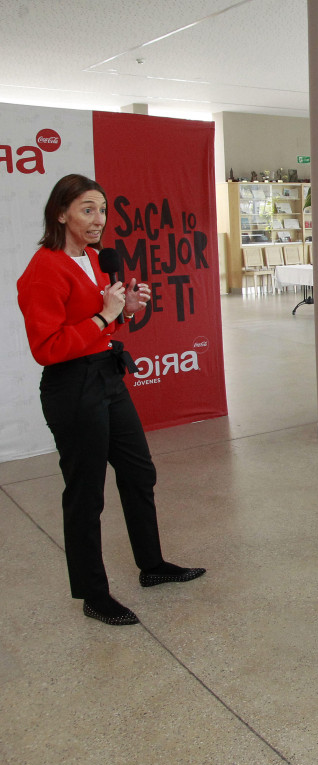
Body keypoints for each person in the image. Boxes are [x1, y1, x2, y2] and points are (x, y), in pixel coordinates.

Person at [16, 174, 205, 627]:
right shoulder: (43, 269)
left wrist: (127, 309)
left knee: (139, 469)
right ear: (61, 213)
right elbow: (47, 348)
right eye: (87, 209)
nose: (98, 219)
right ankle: (93, 594)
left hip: (106, 375)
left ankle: (152, 566)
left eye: (101, 209)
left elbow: (103, 326)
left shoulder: (99, 259)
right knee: (85, 493)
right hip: (71, 387)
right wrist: (106, 313)